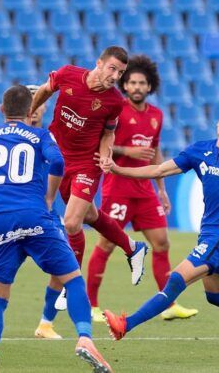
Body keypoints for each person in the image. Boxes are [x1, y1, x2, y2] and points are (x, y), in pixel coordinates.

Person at [100, 103, 219, 360]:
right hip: (208, 231)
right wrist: (118, 169)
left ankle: (126, 324)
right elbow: (159, 169)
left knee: (176, 279)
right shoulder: (200, 150)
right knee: (217, 295)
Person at [0, 85, 112, 373]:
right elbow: (59, 161)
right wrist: (49, 197)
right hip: (36, 215)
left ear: (1, 110)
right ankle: (85, 338)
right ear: (30, 111)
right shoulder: (40, 135)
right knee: (73, 279)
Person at [87, 55, 198, 323]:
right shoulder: (116, 109)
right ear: (125, 85)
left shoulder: (156, 116)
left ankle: (168, 303)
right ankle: (91, 306)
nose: (137, 87)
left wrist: (161, 189)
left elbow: (155, 153)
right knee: (107, 243)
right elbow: (100, 144)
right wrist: (128, 151)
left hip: (145, 190)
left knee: (162, 243)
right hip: (118, 189)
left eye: (142, 83)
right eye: (132, 82)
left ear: (150, 87)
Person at [29, 46, 148, 288]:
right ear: (99, 63)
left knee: (72, 222)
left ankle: (70, 283)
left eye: (120, 72)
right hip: (58, 160)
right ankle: (133, 248)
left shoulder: (114, 102)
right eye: (113, 69)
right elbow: (44, 90)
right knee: (91, 215)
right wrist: (27, 114)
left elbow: (108, 135)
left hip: (87, 163)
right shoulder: (67, 74)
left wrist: (105, 156)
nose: (115, 76)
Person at [0, 85, 66, 340]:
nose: (36, 109)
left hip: (42, 212)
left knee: (61, 267)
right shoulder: (0, 137)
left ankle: (45, 324)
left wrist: (51, 197)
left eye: (41, 104)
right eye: (33, 103)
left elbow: (59, 167)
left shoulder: (48, 137)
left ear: (44, 107)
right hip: (10, 210)